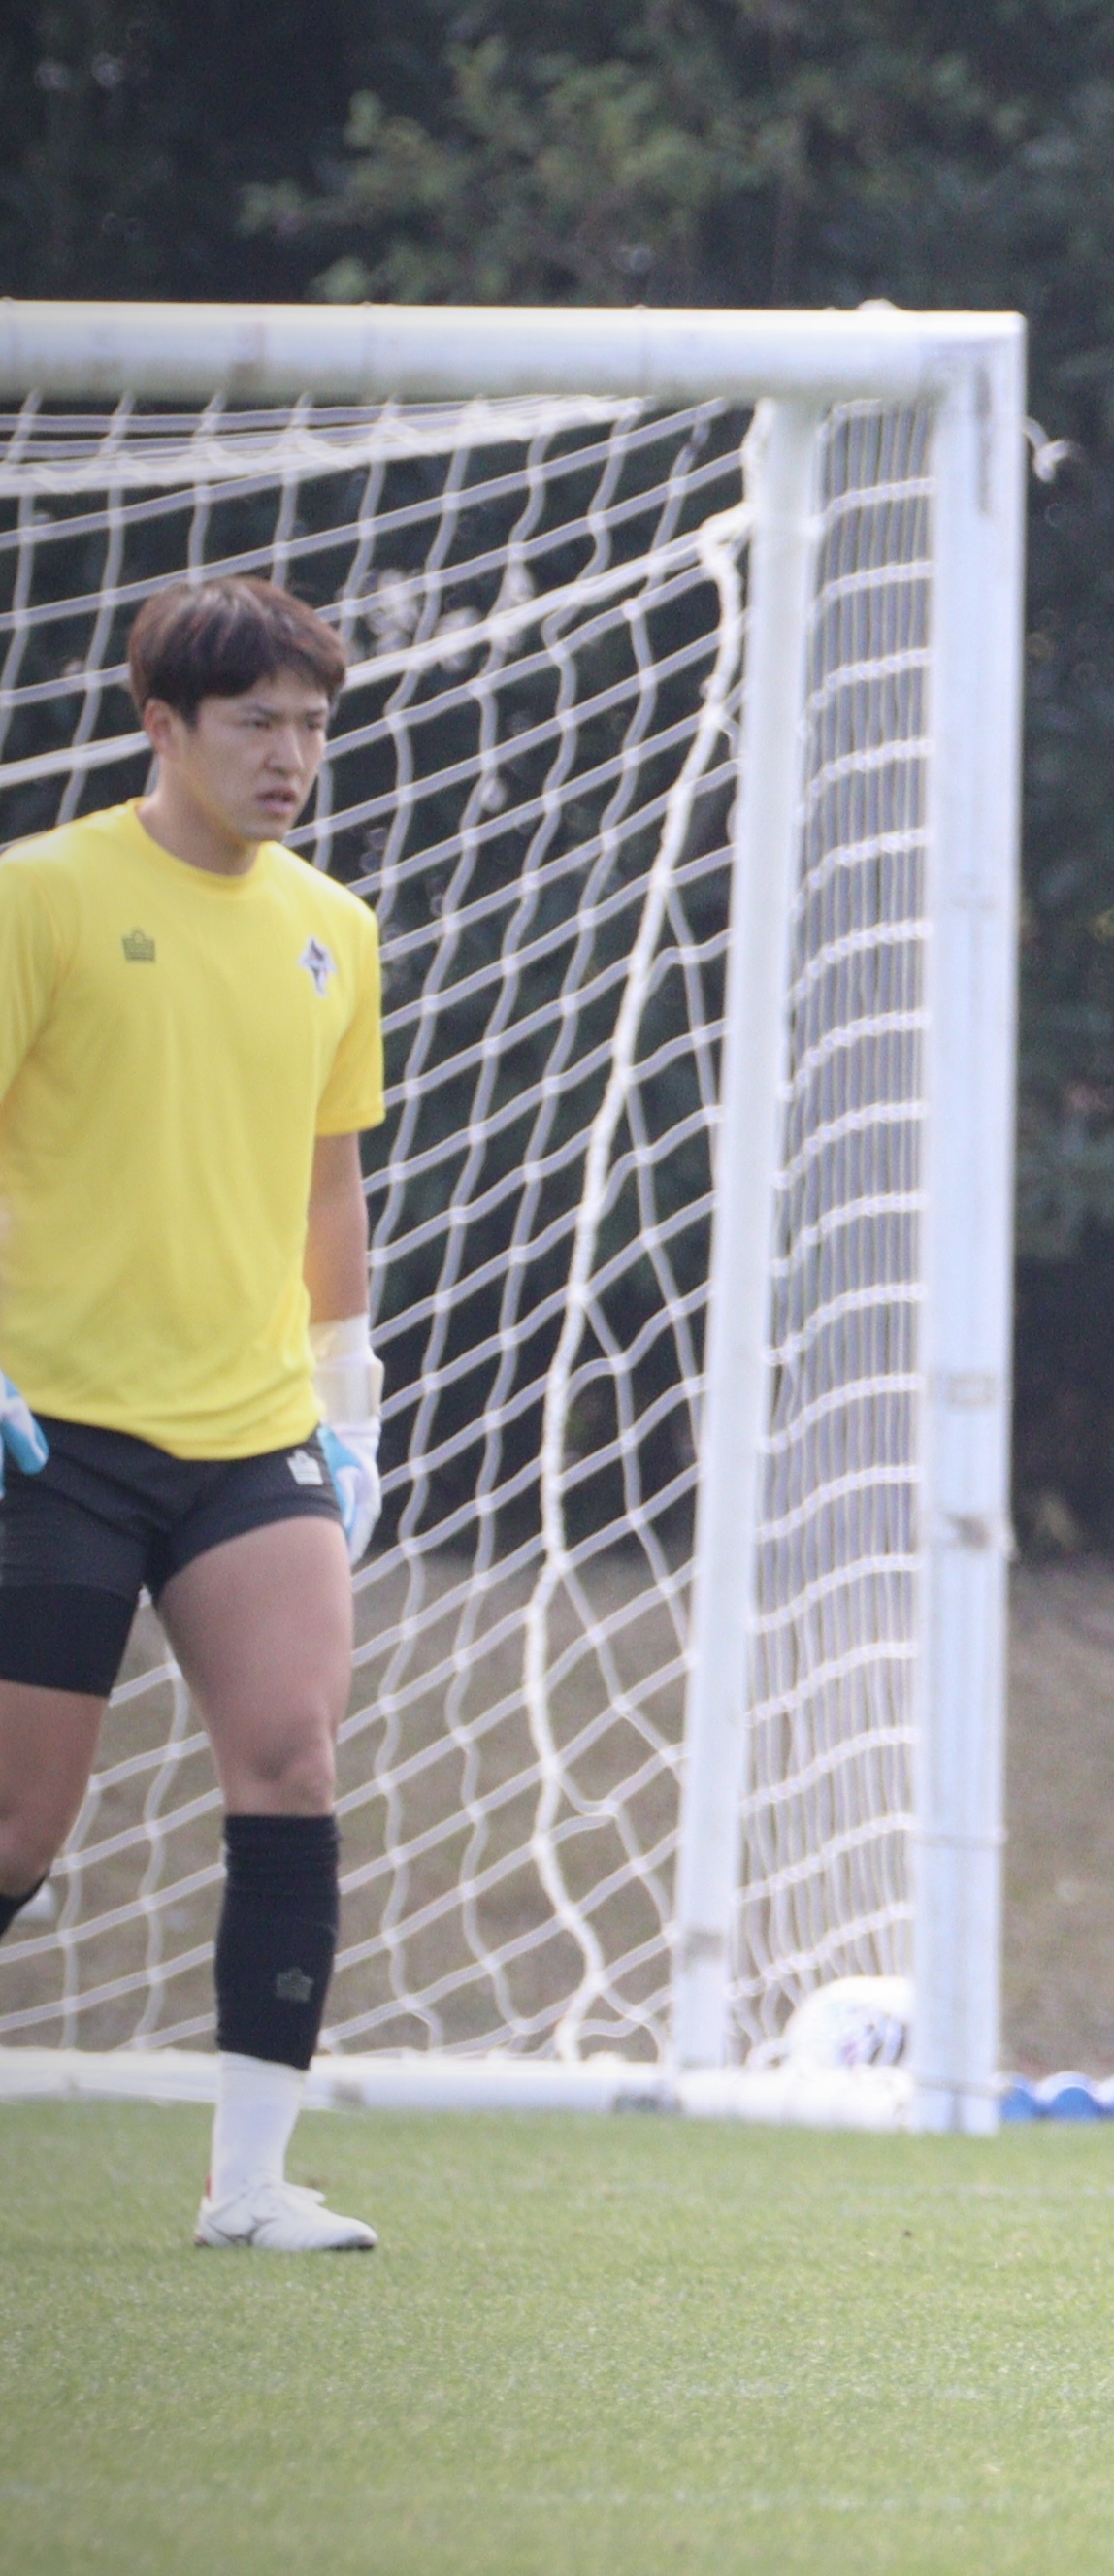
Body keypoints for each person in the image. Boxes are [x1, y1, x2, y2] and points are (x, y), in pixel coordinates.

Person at [0, 576, 391, 2248]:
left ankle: (249, 2184)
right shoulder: (42, 898)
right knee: (19, 1825)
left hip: (251, 1433)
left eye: (311, 724)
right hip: (52, 1437)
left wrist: (345, 1394)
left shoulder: (334, 929)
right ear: (163, 725)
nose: (290, 755)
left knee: (293, 1761)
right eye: (255, 724)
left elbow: (327, 1184)